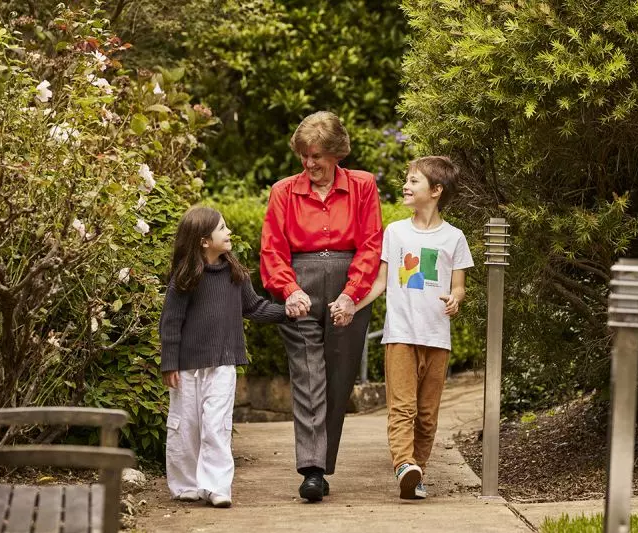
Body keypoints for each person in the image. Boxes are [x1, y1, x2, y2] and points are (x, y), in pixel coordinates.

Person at [260, 111, 383, 502]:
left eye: (316, 155)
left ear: (335, 154)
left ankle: (323, 460)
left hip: (350, 283)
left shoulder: (362, 186)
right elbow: (272, 250)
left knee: (339, 377)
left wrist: (352, 294)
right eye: (304, 155)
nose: (309, 163)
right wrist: (289, 289)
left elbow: (370, 245)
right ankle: (312, 470)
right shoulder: (283, 191)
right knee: (308, 375)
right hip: (301, 284)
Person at [336, 156, 474, 500]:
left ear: (436, 191)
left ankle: (417, 472)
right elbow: (381, 283)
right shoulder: (395, 232)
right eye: (406, 180)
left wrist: (456, 299)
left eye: (414, 181)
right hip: (400, 336)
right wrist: (351, 303)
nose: (405, 186)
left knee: (427, 416)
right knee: (402, 408)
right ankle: (403, 464)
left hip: (437, 338)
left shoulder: (454, 238)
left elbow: (459, 286)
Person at [160, 205, 288, 508]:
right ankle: (186, 484)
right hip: (188, 366)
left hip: (223, 364)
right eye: (222, 228)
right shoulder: (184, 278)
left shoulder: (235, 274)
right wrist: (169, 362)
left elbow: (254, 307)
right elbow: (170, 323)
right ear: (204, 241)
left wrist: (287, 313)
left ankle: (217, 486)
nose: (228, 232)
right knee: (186, 424)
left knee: (217, 424)